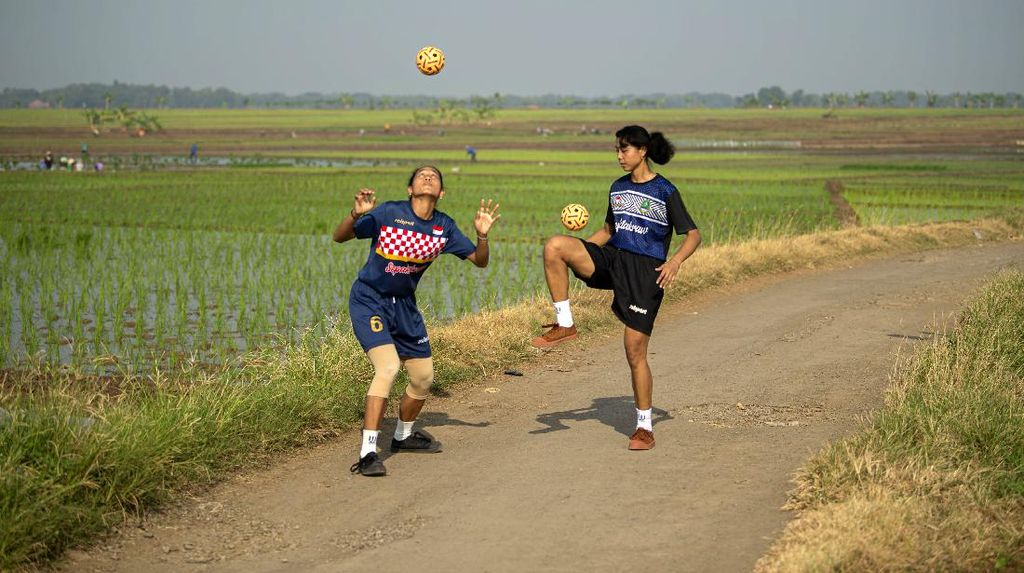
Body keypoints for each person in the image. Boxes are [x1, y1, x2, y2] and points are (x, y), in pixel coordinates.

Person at [530, 125, 701, 451]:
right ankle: (565, 322)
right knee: (555, 246)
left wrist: (675, 262)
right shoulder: (618, 188)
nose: (619, 155)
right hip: (613, 258)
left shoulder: (665, 190)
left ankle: (644, 427)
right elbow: (610, 229)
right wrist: (580, 249)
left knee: (634, 352)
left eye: (625, 149)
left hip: (644, 272)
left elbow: (692, 234)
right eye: (617, 149)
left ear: (643, 151)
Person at [333, 166, 501, 477]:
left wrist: (481, 235)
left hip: (404, 307)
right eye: (421, 175)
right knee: (387, 367)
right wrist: (356, 215)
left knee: (423, 377)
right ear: (410, 189)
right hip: (370, 299)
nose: (427, 177)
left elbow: (480, 261)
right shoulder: (388, 213)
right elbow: (339, 237)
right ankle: (369, 452)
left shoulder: (444, 227)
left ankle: (402, 436)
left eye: (434, 176)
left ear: (442, 193)